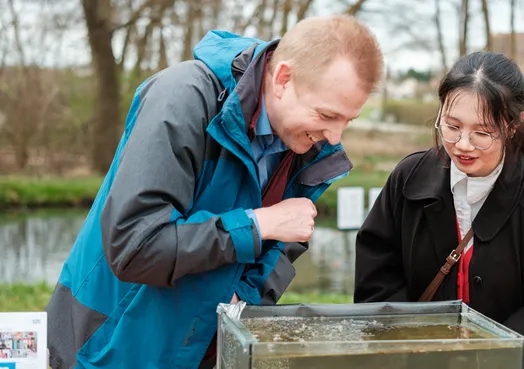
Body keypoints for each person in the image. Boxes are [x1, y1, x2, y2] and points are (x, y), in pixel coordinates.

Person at [46, 15, 384, 369]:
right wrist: (256, 225)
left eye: (348, 120)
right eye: (327, 115)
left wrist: (245, 298)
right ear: (284, 78)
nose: (335, 137)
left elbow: (284, 245)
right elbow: (134, 247)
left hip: (200, 351)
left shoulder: (306, 144)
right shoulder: (182, 98)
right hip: (107, 347)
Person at [354, 51, 524, 369]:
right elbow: (376, 280)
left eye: (481, 132)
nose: (463, 144)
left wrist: (482, 356)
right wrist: (416, 343)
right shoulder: (408, 180)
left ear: (514, 124)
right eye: (451, 126)